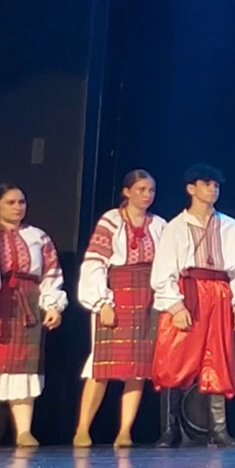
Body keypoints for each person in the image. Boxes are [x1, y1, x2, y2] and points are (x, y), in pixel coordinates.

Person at [149, 163, 235, 447]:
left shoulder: (230, 226)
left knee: (217, 357)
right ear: (191, 189)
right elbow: (164, 270)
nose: (213, 189)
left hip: (218, 293)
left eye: (216, 185)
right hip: (188, 291)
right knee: (175, 357)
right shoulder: (176, 227)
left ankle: (218, 429)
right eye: (207, 184)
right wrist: (175, 306)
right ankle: (169, 429)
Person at [0, 184, 66, 448]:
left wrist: (52, 305)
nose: (18, 207)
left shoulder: (38, 237)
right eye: (10, 202)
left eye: (21, 202)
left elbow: (51, 273)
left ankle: (23, 431)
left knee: (24, 366)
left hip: (27, 301)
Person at [72, 171, 165, 447]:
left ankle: (125, 430)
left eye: (151, 190)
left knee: (138, 368)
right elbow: (94, 262)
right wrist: (102, 302)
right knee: (102, 365)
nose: (147, 195)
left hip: (147, 295)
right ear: (126, 192)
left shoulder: (159, 224)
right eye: (141, 189)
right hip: (117, 291)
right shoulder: (111, 220)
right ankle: (82, 428)